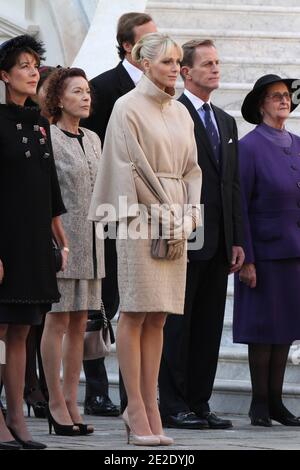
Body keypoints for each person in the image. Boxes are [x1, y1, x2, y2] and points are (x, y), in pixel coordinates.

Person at [89, 32, 202, 446]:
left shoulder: (182, 113)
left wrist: (190, 217)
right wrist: (161, 213)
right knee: (136, 312)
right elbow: (126, 167)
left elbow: (193, 170)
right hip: (139, 218)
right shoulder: (126, 107)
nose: (176, 68)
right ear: (145, 63)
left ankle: (151, 403)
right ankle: (134, 405)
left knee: (160, 315)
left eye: (178, 62)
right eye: (169, 62)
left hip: (177, 218)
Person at [159, 39, 244, 430]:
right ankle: (173, 403)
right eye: (207, 64)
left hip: (220, 241)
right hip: (185, 235)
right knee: (179, 324)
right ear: (186, 72)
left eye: (218, 62)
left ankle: (199, 400)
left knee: (209, 326)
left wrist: (237, 239)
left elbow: (232, 186)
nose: (215, 69)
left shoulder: (226, 121)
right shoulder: (171, 114)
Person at [82, 12, 157, 417]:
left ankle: (138, 396)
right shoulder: (102, 88)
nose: (157, 48)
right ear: (128, 46)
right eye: (149, 41)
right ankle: (96, 388)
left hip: (148, 217)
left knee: (141, 305)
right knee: (102, 302)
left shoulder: (163, 91)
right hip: (110, 214)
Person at [0, 34, 67, 450]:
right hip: (5, 240)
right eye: (22, 65)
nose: (31, 70)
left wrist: (58, 237)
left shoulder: (40, 123)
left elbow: (49, 185)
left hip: (33, 241)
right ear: (4, 75)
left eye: (34, 63)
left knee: (22, 330)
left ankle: (18, 420)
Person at [233, 74, 300, 427]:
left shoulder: (298, 143)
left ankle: (276, 401)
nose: (283, 100)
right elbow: (240, 203)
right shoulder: (249, 147)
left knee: (285, 329)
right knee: (263, 329)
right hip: (263, 252)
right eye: (276, 96)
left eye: (287, 96)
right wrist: (248, 257)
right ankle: (259, 403)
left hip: (294, 250)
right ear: (261, 104)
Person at [41, 67, 105, 436]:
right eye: (76, 91)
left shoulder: (94, 138)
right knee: (58, 320)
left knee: (80, 323)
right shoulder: (47, 136)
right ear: (58, 98)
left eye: (87, 91)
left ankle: (71, 398)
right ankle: (53, 402)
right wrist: (55, 240)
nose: (85, 97)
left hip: (93, 240)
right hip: (61, 239)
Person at [24, 65, 56, 419]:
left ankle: (43, 386)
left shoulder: (48, 128)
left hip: (49, 227)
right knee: (25, 322)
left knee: (44, 319)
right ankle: (28, 385)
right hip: (25, 230)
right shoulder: (26, 124)